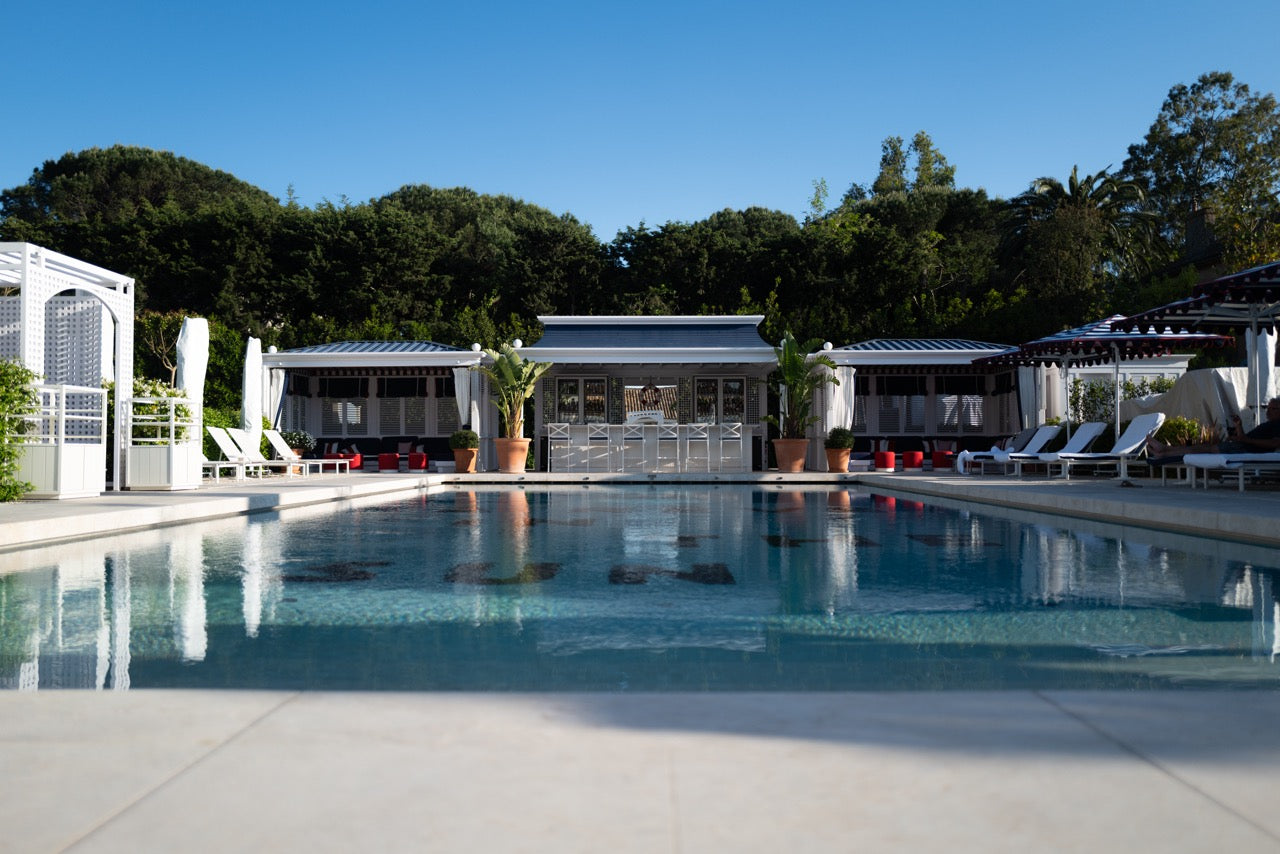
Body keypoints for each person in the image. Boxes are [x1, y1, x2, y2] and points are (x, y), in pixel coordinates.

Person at [1148, 397, 1280, 456]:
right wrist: (1238, 426)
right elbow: (1243, 437)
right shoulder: (1268, 424)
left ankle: (1164, 451)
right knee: (1202, 449)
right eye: (1268, 408)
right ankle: (1164, 451)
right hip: (1242, 446)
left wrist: (1246, 440)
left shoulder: (1277, 425)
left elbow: (1275, 443)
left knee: (1204, 450)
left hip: (1244, 450)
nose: (1268, 411)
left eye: (1273, 409)